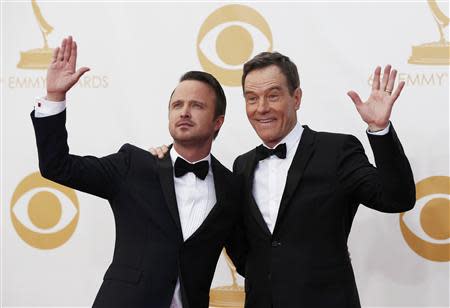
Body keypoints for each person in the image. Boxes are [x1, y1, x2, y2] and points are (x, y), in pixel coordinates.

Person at [151, 52, 415, 308]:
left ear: (296, 98)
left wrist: (379, 130)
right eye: (252, 98)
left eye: (273, 96)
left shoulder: (336, 150)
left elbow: (397, 198)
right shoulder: (242, 167)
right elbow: (243, 249)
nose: (261, 107)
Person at [31, 36, 242, 308]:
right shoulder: (134, 165)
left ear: (218, 122)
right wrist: (55, 97)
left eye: (197, 106)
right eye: (177, 105)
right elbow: (56, 166)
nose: (184, 112)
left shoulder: (232, 187)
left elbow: (251, 258)